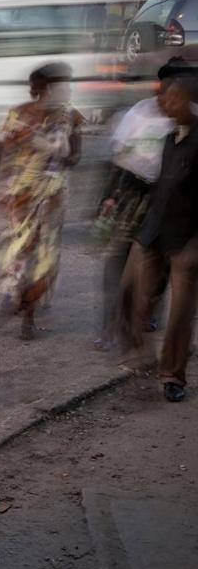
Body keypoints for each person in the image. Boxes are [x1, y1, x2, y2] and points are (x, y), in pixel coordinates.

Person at [0, 63, 85, 341]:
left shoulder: (69, 116)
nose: (68, 90)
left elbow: (75, 156)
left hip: (50, 198)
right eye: (64, 85)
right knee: (18, 251)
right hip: (17, 197)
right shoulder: (18, 115)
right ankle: (16, 295)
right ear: (47, 89)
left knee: (42, 256)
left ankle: (29, 314)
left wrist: (61, 151)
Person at [93, 58, 190, 350]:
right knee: (119, 260)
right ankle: (110, 325)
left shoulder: (190, 117)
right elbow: (116, 157)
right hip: (133, 196)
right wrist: (107, 197)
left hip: (171, 203)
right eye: (166, 85)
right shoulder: (139, 113)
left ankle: (147, 313)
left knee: (160, 268)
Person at [118, 72, 198, 403]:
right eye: (163, 99)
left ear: (190, 102)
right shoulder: (169, 138)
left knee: (180, 310)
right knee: (128, 293)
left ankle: (172, 376)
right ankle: (141, 356)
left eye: (173, 99)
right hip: (153, 230)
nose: (166, 105)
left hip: (187, 238)